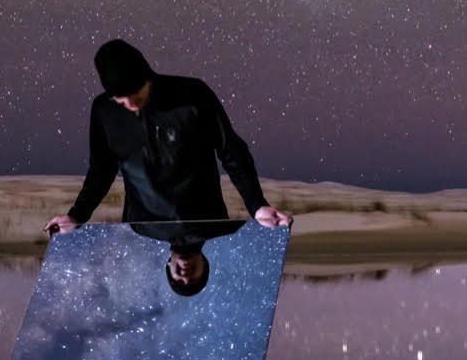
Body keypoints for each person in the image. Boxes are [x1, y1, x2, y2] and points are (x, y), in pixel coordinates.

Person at [47, 39, 292, 240]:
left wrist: (257, 205)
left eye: (137, 96)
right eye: (121, 102)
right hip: (143, 232)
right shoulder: (103, 111)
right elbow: (102, 169)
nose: (131, 106)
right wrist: (77, 216)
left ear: (148, 77)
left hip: (203, 227)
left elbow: (232, 152)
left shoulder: (193, 95)